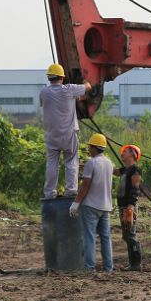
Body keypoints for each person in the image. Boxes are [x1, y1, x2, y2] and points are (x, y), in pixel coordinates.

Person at [40, 63, 92, 200]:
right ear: (62, 77)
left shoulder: (43, 92)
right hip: (69, 134)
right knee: (71, 161)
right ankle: (71, 191)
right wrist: (83, 80)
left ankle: (50, 193)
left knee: (52, 164)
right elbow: (88, 87)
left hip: (52, 134)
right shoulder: (69, 89)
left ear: (49, 78)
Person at [70, 133, 115, 273]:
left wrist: (76, 203)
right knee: (106, 238)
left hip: (91, 206)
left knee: (89, 237)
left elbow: (85, 186)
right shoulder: (109, 163)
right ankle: (108, 268)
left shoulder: (91, 163)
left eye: (90, 146)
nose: (88, 149)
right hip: (106, 206)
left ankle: (90, 268)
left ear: (95, 148)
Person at [114, 144, 143, 271]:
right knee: (126, 235)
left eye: (124, 151)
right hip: (123, 207)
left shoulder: (135, 169)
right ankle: (132, 263)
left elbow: (136, 188)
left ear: (132, 154)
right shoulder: (124, 170)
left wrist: (131, 206)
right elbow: (112, 171)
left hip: (128, 207)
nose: (122, 153)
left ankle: (136, 263)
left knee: (130, 235)